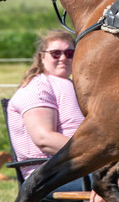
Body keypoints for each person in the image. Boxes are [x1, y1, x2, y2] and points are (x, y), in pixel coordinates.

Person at [7, 30, 84, 191]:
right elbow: (44, 139)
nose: (63, 58)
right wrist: (96, 155)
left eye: (69, 53)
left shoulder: (74, 86)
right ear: (42, 57)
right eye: (55, 53)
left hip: (80, 168)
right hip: (48, 174)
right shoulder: (38, 87)